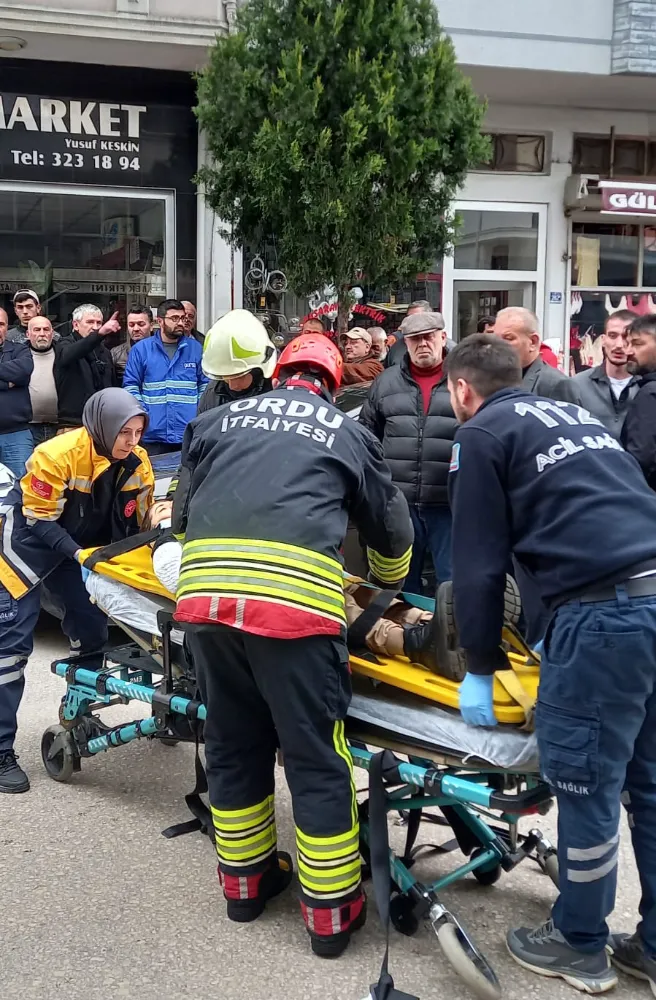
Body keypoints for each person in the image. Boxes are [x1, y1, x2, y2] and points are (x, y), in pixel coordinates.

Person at [171, 332, 413, 957]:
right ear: (332, 384)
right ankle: (330, 918)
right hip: (294, 614)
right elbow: (391, 530)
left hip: (206, 603)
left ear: (277, 374)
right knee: (314, 756)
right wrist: (382, 587)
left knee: (232, 742)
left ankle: (245, 888)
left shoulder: (214, 421)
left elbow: (180, 520)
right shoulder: (347, 432)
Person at [445, 333, 656, 995]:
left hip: (603, 617)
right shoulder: (575, 416)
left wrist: (480, 664)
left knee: (587, 786)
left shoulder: (480, 434)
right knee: (649, 787)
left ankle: (579, 943)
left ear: (461, 389)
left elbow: (477, 564)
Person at [0, 387, 154, 793]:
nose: (132, 441)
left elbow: (138, 522)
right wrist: (80, 555)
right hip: (26, 551)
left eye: (138, 432)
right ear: (103, 426)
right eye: (125, 432)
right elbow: (39, 519)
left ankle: (79, 714)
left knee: (91, 632)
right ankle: (0, 751)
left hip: (79, 551)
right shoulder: (57, 454)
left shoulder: (137, 462)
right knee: (10, 651)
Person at [360, 310, 457, 593]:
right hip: (399, 505)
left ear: (443, 338)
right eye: (415, 339)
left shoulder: (464, 380)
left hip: (448, 504)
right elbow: (367, 437)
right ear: (406, 342)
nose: (422, 344)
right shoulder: (386, 382)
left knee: (452, 585)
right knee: (402, 587)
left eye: (429, 337)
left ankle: (451, 625)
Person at [123, 298, 206, 455]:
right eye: (174, 318)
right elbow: (131, 386)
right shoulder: (141, 350)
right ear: (159, 321)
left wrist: (197, 411)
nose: (180, 322)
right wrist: (144, 414)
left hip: (188, 431)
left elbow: (205, 385)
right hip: (153, 434)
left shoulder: (196, 349)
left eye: (182, 318)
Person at [197, 309, 276, 414]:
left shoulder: (279, 390)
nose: (232, 386)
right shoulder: (213, 394)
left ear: (260, 369)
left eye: (238, 376)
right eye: (225, 377)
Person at [574, 309, 638, 438]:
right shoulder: (577, 385)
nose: (619, 345)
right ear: (603, 340)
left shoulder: (648, 386)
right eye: (613, 336)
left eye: (626, 337)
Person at [55, 304, 120, 430]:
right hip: (73, 424)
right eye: (90, 322)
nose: (95, 327)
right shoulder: (64, 344)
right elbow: (70, 354)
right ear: (75, 325)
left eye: (99, 323)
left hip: (101, 424)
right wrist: (100, 334)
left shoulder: (105, 352)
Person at [493, 306, 578, 401]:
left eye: (508, 338)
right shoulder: (490, 378)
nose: (497, 345)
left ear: (533, 342)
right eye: (494, 338)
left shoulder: (556, 384)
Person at [622, 315, 656, 491]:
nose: (628, 351)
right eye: (628, 344)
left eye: (637, 344)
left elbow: (640, 459)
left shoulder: (650, 393)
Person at [0, 307, 34, 478]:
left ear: (7, 327)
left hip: (16, 435)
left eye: (1, 324)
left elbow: (25, 369)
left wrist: (18, 377)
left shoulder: (19, 350)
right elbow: (17, 374)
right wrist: (7, 383)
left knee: (21, 487)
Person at [26, 315, 59, 446]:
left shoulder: (62, 353)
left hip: (59, 426)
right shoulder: (19, 355)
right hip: (27, 427)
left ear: (52, 333)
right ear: (28, 334)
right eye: (37, 330)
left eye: (46, 329)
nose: (42, 334)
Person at [111, 304, 153, 383]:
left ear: (151, 326)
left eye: (141, 324)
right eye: (131, 325)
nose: (135, 329)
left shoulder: (162, 350)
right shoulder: (116, 353)